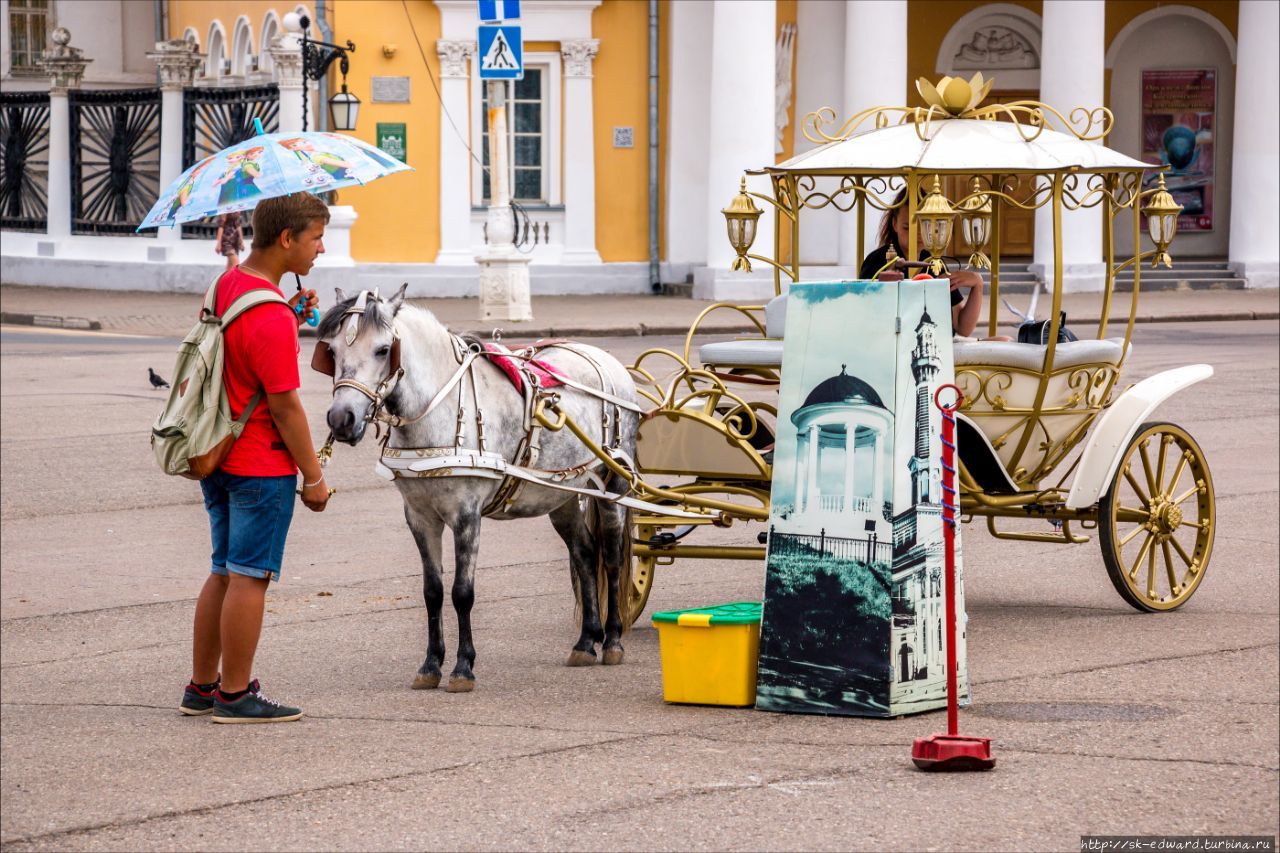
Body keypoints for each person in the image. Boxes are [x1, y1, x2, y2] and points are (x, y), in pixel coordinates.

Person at [179, 192, 330, 724]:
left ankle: (201, 688)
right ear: (287, 239)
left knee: (222, 570)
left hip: (216, 454)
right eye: (315, 237)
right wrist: (313, 476)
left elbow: (238, 348)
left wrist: (287, 310)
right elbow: (287, 407)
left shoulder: (228, 285)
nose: (321, 247)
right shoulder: (270, 315)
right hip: (260, 464)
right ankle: (236, 694)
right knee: (250, 576)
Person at [859, 189, 994, 339]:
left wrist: (977, 283)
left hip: (937, 344)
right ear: (895, 224)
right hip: (895, 345)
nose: (917, 234)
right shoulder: (877, 262)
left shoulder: (933, 263)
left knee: (1005, 341)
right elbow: (867, 317)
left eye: (924, 226)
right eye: (907, 227)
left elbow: (963, 327)